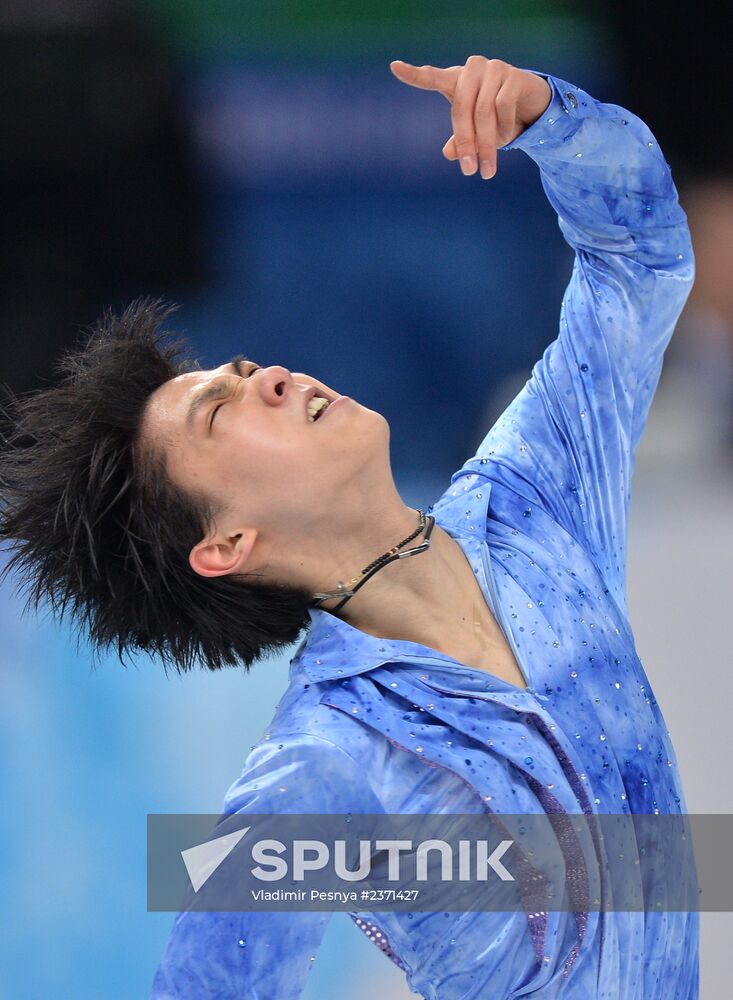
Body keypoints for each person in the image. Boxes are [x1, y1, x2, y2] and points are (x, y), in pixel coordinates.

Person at [0, 55, 698, 999]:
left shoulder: (534, 502)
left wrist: (552, 124)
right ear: (226, 545)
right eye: (221, 411)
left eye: (244, 370)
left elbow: (638, 263)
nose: (270, 378)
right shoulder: (320, 772)